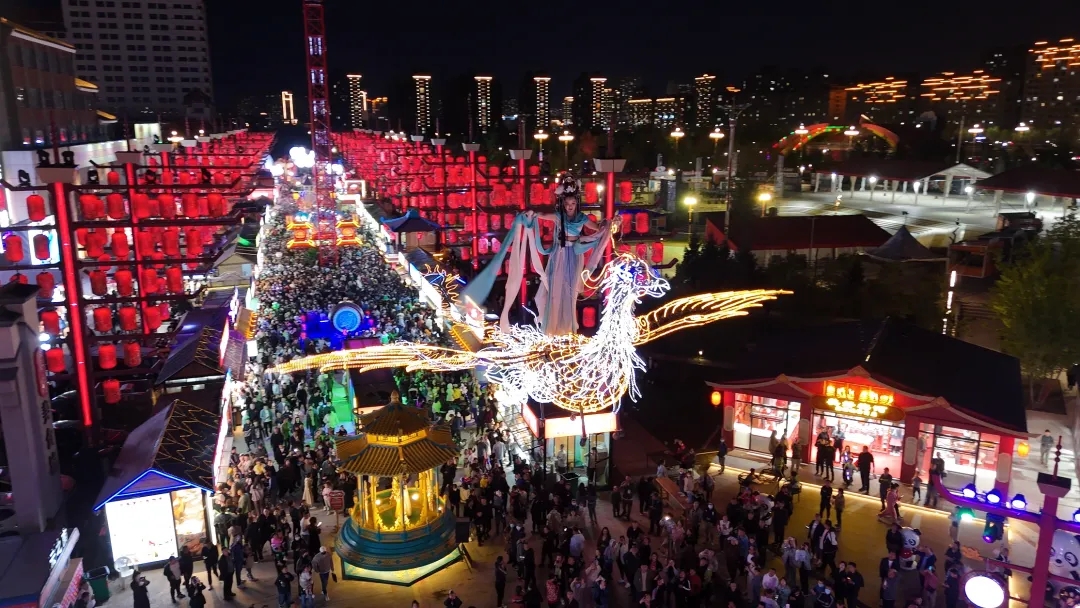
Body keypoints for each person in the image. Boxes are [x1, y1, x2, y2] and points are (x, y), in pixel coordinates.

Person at [461, 173, 614, 335]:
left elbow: (598, 228)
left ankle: (567, 324)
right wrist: (533, 214)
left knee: (570, 290)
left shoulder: (582, 218)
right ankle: (554, 325)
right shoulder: (559, 216)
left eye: (573, 203)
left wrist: (610, 223)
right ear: (563, 204)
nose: (570, 206)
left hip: (574, 254)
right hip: (560, 253)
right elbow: (543, 215)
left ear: (577, 203)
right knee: (556, 288)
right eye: (567, 203)